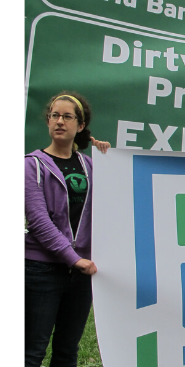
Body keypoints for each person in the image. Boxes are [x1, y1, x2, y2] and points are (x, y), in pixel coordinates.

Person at [25, 92, 109, 367]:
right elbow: (38, 221)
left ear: (80, 125)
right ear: (48, 121)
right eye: (54, 116)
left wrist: (109, 159)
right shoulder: (31, 165)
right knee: (32, 351)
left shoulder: (89, 164)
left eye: (67, 116)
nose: (59, 121)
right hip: (42, 271)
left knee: (66, 351)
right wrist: (74, 259)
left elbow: (113, 204)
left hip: (80, 273)